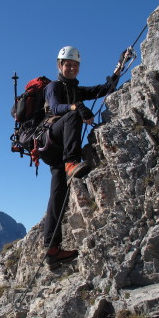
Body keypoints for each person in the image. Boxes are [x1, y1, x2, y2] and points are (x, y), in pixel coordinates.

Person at [42, 45, 121, 268]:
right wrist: (76, 107)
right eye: (68, 64)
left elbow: (103, 89)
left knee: (58, 195)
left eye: (75, 65)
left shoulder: (76, 88)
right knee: (72, 115)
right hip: (52, 141)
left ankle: (52, 249)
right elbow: (57, 108)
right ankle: (71, 163)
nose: (72, 68)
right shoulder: (53, 87)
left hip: (58, 150)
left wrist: (117, 70)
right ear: (60, 65)